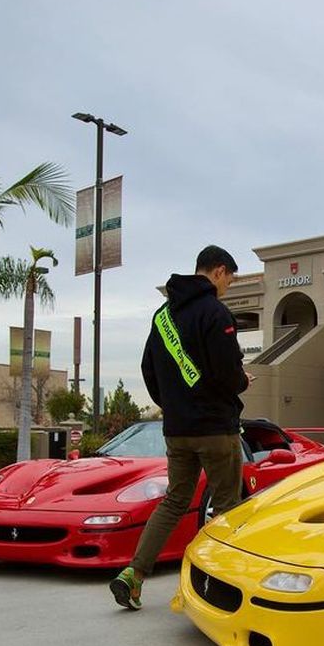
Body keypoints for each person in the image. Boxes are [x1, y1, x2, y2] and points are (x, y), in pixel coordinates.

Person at [109, 245, 251, 610]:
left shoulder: (162, 315)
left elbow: (148, 370)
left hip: (177, 429)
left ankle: (134, 575)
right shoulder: (214, 312)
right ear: (219, 271)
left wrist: (174, 405)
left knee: (174, 501)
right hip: (216, 429)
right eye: (230, 280)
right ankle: (218, 588)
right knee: (228, 509)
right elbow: (226, 372)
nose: (228, 287)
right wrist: (242, 381)